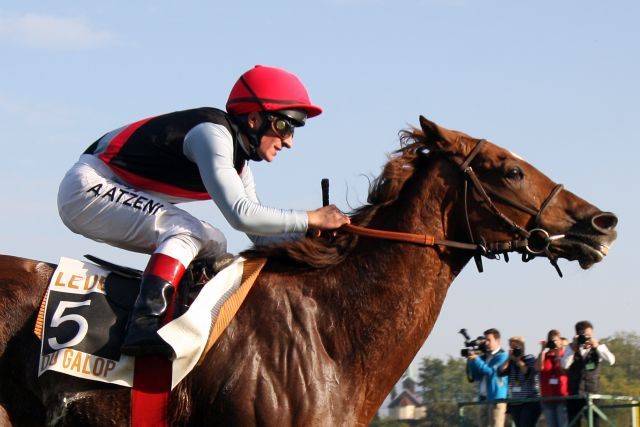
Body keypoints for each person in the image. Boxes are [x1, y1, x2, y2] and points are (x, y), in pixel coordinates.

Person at [57, 65, 351, 358]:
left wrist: (308, 236)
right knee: (189, 231)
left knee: (214, 242)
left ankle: (177, 313)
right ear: (253, 118)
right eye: (285, 126)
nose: (289, 141)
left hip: (108, 190)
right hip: (86, 188)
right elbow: (242, 214)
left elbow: (259, 236)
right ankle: (143, 324)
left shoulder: (240, 165)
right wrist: (311, 217)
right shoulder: (211, 135)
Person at [561, 320, 615, 426]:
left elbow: (611, 360)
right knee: (574, 423)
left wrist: (597, 347)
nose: (588, 338)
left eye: (590, 335)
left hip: (592, 393)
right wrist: (573, 348)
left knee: (594, 423)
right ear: (577, 335)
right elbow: (564, 365)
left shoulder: (598, 347)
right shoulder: (571, 348)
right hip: (575, 393)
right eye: (585, 335)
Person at [466, 328, 509, 427]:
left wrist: (476, 359)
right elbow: (476, 377)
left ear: (497, 341)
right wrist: (471, 361)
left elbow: (492, 373)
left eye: (489, 340)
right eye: (485, 340)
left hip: (496, 399)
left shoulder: (502, 356)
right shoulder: (485, 357)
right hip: (483, 399)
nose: (486, 342)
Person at [499, 336, 541, 427]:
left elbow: (527, 372)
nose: (513, 349)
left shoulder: (530, 359)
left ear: (522, 347)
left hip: (530, 402)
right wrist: (508, 358)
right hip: (515, 402)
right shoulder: (510, 362)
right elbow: (500, 372)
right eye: (511, 347)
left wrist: (518, 359)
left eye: (515, 347)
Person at [537, 330, 569, 427]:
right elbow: (538, 368)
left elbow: (564, 371)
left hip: (561, 398)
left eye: (555, 341)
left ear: (560, 341)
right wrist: (542, 351)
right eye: (551, 341)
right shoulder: (544, 356)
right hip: (547, 399)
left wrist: (557, 355)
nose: (553, 343)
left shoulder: (565, 355)